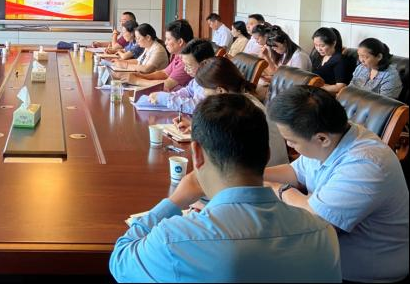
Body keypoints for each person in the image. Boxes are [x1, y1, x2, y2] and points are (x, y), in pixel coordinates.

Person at [109, 93, 341, 283]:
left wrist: (175, 201)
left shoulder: (174, 240)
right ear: (267, 154)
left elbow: (120, 260)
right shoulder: (323, 233)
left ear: (197, 154)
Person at [265, 86, 409, 283]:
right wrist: (249, 175)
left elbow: (317, 224)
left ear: (322, 138)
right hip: (328, 251)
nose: (289, 145)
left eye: (292, 141)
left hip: (365, 272)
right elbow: (296, 172)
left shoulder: (366, 164)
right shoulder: (332, 137)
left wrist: (279, 189)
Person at [188, 56, 289, 167]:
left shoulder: (241, 113)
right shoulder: (242, 101)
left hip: (267, 173)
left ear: (220, 90)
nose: (203, 93)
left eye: (204, 89)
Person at [149, 39, 215, 115]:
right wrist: (170, 95)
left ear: (204, 64)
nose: (185, 69)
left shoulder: (211, 82)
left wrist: (165, 98)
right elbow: (187, 91)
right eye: (184, 65)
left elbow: (197, 107)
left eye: (189, 66)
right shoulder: (196, 79)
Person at [130, 19, 193, 91]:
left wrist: (136, 81)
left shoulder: (187, 61)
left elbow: (167, 85)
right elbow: (164, 73)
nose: (165, 43)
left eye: (168, 39)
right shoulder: (178, 55)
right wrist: (142, 76)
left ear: (180, 42)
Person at [311, 27, 354, 94]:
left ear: (333, 43)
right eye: (316, 45)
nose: (319, 49)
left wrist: (318, 86)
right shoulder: (318, 55)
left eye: (322, 46)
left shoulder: (340, 60)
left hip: (327, 94)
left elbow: (340, 87)